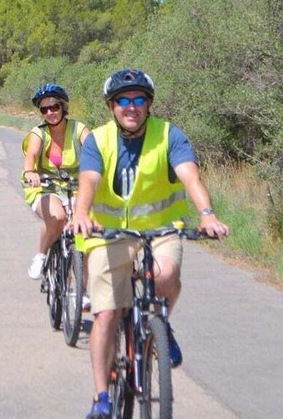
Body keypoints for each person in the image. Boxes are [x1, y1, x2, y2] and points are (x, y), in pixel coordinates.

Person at [68, 69, 230, 419]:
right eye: (123, 100)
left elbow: (191, 176)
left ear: (149, 104)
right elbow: (89, 181)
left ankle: (161, 323)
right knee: (107, 313)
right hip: (107, 235)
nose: (132, 107)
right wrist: (82, 214)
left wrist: (207, 214)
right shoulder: (98, 140)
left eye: (139, 99)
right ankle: (101, 397)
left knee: (166, 273)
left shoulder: (170, 135)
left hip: (160, 231)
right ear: (112, 106)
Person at [22, 84, 90, 288]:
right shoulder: (39, 133)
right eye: (44, 109)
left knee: (84, 230)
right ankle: (41, 255)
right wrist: (30, 172)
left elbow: (94, 150)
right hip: (44, 186)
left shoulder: (79, 129)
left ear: (63, 107)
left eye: (54, 107)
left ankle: (82, 288)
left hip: (76, 186)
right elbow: (31, 155)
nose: (50, 112)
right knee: (58, 218)